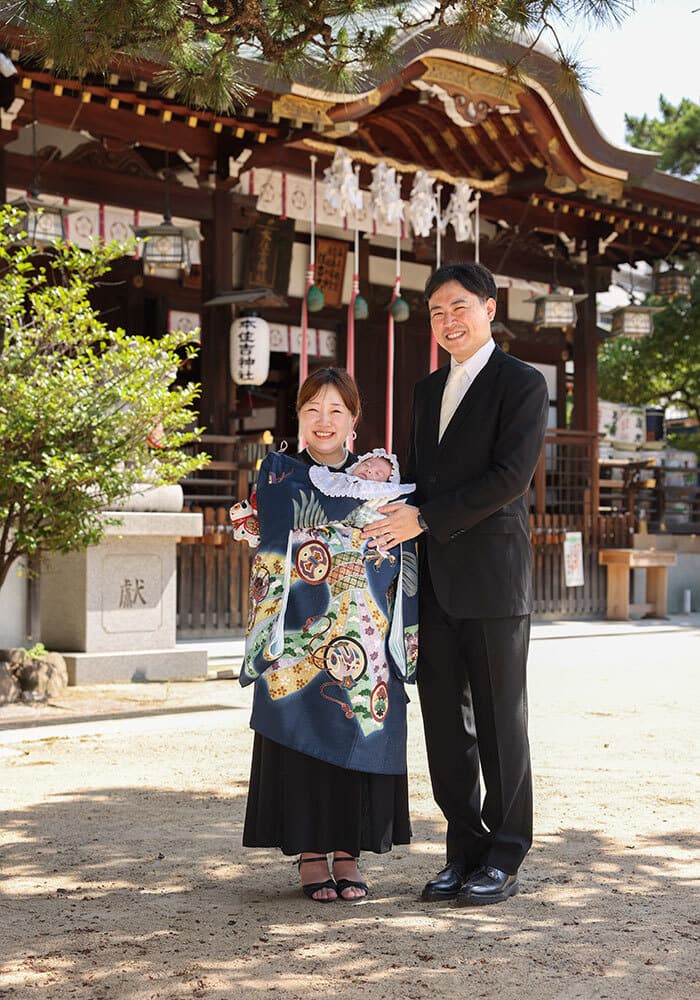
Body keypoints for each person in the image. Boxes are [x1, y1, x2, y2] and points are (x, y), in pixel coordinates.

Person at [362, 262, 549, 906]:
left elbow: (510, 478)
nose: (448, 321)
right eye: (437, 312)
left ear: (490, 309)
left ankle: (505, 852)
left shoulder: (522, 383)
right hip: (432, 581)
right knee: (445, 723)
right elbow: (419, 479)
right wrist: (380, 485)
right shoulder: (423, 391)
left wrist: (425, 516)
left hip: (495, 581)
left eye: (460, 307)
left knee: (501, 721)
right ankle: (462, 849)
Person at [239, 368, 419, 903]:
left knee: (358, 720)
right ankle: (312, 854)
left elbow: (397, 547)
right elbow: (263, 542)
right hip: (299, 625)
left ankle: (349, 853)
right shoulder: (278, 478)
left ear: (353, 421)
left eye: (336, 410)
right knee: (301, 729)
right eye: (313, 409)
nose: (324, 421)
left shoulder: (380, 486)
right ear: (298, 416)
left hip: (362, 628)